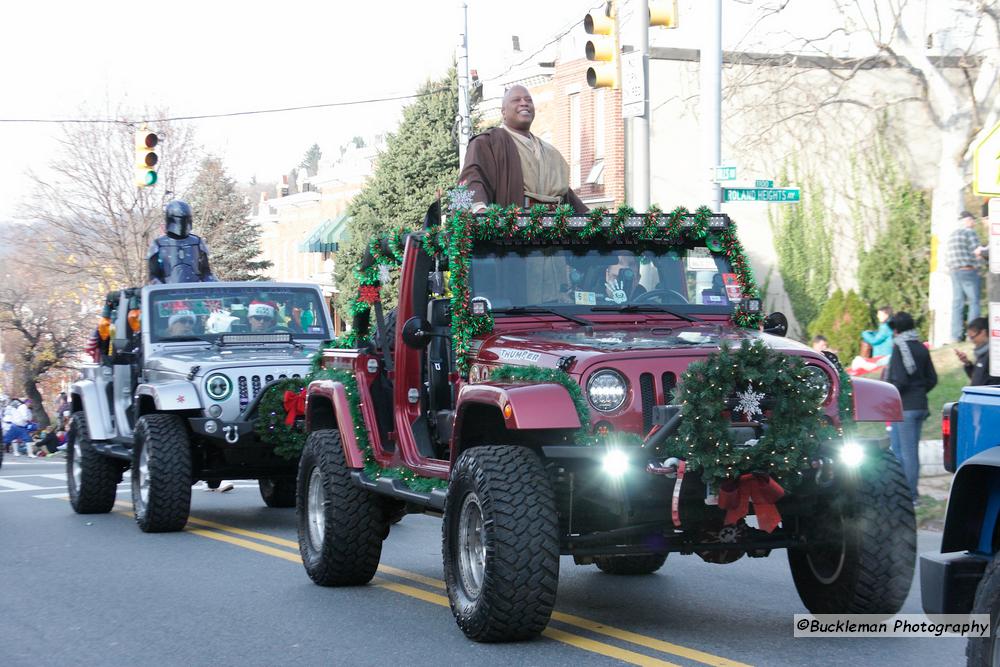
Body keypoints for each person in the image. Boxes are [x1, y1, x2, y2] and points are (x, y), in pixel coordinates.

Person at [458, 85, 588, 213]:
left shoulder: (551, 152)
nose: (524, 103)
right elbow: (472, 178)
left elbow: (565, 193)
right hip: (514, 228)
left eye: (528, 100)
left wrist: (589, 216)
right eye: (516, 100)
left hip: (554, 227)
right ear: (503, 112)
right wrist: (479, 208)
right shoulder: (487, 142)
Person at [885, 312, 938, 504]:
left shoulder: (900, 347)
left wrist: (887, 394)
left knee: (904, 453)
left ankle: (910, 496)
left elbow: (900, 379)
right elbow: (932, 378)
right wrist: (920, 391)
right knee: (903, 451)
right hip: (919, 405)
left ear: (897, 329)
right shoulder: (921, 347)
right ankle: (904, 492)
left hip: (904, 407)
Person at [147, 200, 217, 284]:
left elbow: (206, 272)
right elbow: (154, 276)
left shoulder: (197, 242)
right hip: (167, 293)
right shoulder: (158, 244)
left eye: (186, 219)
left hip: (196, 292)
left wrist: (214, 285)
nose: (182, 224)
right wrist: (162, 290)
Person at [946, 211, 984, 342]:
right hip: (968, 271)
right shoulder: (970, 233)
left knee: (957, 304)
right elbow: (977, 253)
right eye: (973, 220)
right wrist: (981, 267)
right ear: (968, 220)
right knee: (974, 302)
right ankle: (972, 334)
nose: (974, 223)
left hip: (954, 271)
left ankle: (955, 336)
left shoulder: (952, 235)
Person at [956, 317, 1000, 386]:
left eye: (972, 337)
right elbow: (978, 378)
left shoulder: (994, 355)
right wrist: (967, 363)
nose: (971, 341)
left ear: (983, 332)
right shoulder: (982, 352)